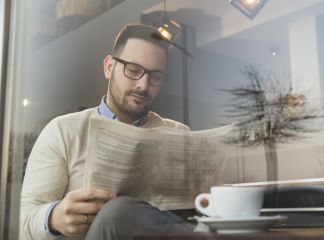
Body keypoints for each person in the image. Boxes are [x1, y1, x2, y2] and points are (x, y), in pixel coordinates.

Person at [20, 24, 196, 240]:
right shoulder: (62, 131)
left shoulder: (180, 134)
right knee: (117, 212)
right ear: (109, 67)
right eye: (133, 70)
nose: (143, 84)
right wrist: (54, 218)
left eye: (156, 76)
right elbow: (24, 222)